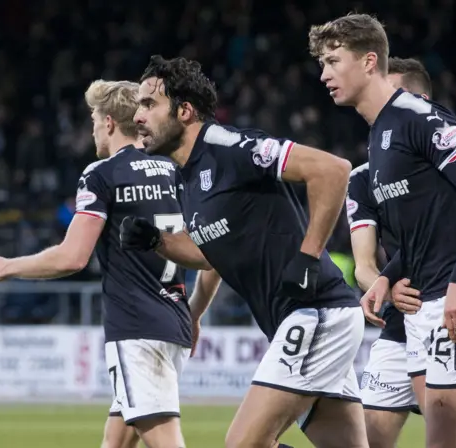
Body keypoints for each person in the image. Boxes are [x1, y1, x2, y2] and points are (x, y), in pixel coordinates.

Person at [121, 55, 369, 448]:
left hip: (316, 312)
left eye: (149, 104)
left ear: (185, 111)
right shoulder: (186, 177)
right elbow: (208, 252)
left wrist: (308, 255)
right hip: (304, 318)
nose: (137, 116)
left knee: (242, 444)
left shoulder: (228, 146)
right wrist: (159, 243)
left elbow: (332, 170)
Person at [309, 14, 456, 448]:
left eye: (332, 61)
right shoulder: (379, 134)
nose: (324, 74)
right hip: (426, 303)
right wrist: (383, 279)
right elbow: (429, 231)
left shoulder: (416, 116)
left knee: (443, 440)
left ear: (369, 62)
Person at [0, 80, 198, 448]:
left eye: (94, 119)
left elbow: (73, 256)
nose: (92, 127)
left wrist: (8, 267)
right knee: (115, 442)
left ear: (109, 122)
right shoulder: (171, 170)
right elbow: (209, 246)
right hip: (173, 323)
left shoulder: (101, 175)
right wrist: (195, 313)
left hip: (136, 329)